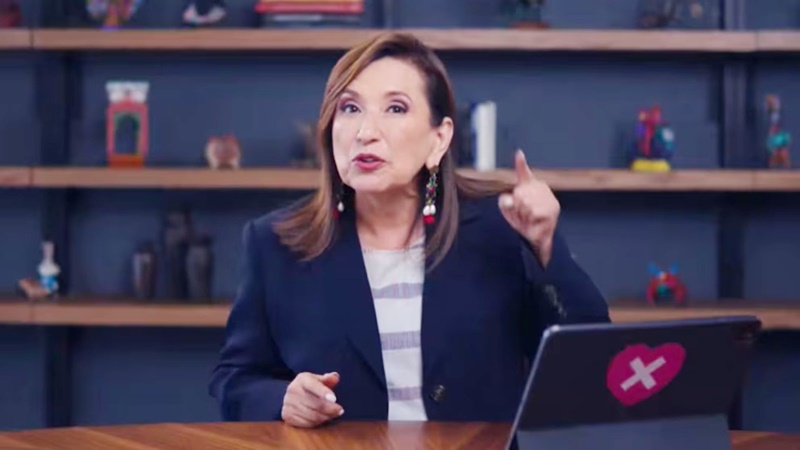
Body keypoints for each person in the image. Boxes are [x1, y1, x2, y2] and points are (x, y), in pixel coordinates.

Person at [209, 31, 610, 428]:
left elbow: (588, 365)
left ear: (439, 139)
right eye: (350, 108)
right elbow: (235, 378)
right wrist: (282, 399)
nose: (366, 131)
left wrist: (546, 249)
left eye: (396, 108)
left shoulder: (501, 225)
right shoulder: (276, 242)